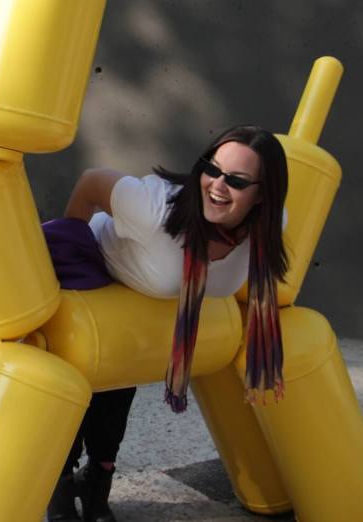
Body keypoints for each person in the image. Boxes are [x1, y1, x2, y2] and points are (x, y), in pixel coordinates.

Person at [43, 124, 289, 522]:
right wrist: (75, 268)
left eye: (238, 180)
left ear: (263, 196)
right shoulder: (153, 207)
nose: (217, 185)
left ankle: (97, 480)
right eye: (212, 168)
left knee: (118, 381)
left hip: (146, 293)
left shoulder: (269, 228)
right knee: (77, 382)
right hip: (96, 269)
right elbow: (90, 184)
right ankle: (61, 482)